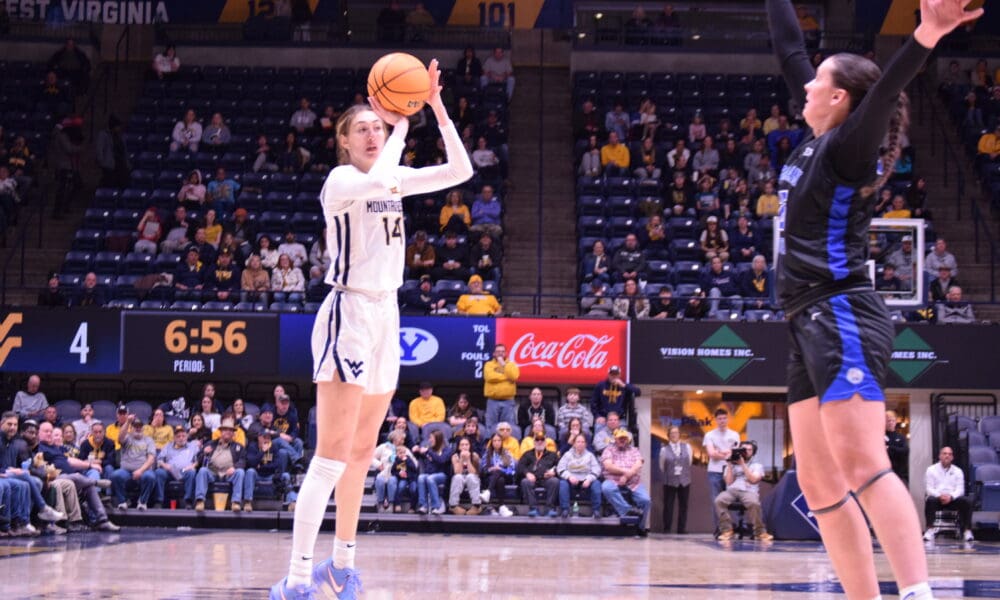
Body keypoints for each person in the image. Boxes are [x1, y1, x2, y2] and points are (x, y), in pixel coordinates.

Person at [767, 1, 980, 597]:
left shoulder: (846, 149)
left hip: (842, 312)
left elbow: (884, 90)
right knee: (818, 484)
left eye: (819, 79)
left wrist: (926, 34)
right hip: (805, 318)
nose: (806, 82)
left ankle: (918, 593)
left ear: (839, 98)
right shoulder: (816, 138)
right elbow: (788, 48)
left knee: (863, 466)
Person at [271, 58, 472, 599]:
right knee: (331, 454)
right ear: (342, 141)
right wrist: (402, 120)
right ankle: (294, 579)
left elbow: (460, 172)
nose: (370, 132)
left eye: (376, 127)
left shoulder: (394, 177)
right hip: (348, 313)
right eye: (361, 127)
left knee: (362, 452)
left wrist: (433, 106)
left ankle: (341, 566)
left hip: (388, 314)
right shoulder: (342, 180)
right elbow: (382, 174)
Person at [714, 440, 773, 541]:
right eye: (744, 449)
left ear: (753, 452)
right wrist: (729, 464)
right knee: (719, 500)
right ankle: (727, 530)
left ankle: (759, 532)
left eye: (750, 450)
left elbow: (753, 480)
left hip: (749, 491)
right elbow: (728, 482)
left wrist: (742, 464)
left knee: (754, 503)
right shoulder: (731, 464)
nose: (747, 452)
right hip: (732, 490)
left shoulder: (757, 465)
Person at [194, 417, 246, 512]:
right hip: (213, 471)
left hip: (228, 472)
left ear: (233, 433)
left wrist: (235, 467)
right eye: (225, 430)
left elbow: (243, 460)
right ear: (221, 431)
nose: (227, 432)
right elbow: (198, 459)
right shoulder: (211, 443)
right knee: (202, 470)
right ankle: (200, 501)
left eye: (230, 430)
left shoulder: (238, 447)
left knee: (240, 472)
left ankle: (236, 502)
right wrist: (204, 453)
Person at [923, 446, 974, 542]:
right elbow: (929, 488)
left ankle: (967, 531)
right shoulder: (931, 469)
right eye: (945, 453)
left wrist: (951, 497)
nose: (947, 456)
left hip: (952, 499)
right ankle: (930, 530)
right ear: (940, 456)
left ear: (952, 457)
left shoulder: (958, 471)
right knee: (930, 500)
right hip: (937, 498)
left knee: (967, 501)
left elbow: (960, 489)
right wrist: (939, 496)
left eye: (950, 454)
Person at [600, 428, 650, 526]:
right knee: (606, 488)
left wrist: (626, 476)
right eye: (620, 438)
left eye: (624, 438)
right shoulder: (608, 449)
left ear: (628, 439)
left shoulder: (634, 450)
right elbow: (608, 466)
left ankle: (640, 528)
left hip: (633, 482)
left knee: (646, 500)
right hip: (613, 480)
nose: (622, 440)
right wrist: (625, 472)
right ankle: (627, 510)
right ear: (615, 439)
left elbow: (638, 465)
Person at [703, 407, 740, 531]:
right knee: (716, 501)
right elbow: (711, 454)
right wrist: (726, 453)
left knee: (732, 500)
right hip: (715, 471)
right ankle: (719, 529)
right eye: (719, 419)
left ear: (727, 419)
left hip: (731, 471)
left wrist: (720, 452)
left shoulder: (734, 434)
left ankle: (732, 528)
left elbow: (735, 453)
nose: (722, 421)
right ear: (715, 420)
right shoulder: (710, 435)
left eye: (724, 418)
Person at [110, 415, 157, 510]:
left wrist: (140, 471)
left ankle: (142, 502)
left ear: (143, 428)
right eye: (135, 426)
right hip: (126, 471)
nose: (138, 428)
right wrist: (127, 422)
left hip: (144, 470)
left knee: (150, 476)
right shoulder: (127, 438)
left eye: (140, 426)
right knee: (115, 475)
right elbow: (120, 437)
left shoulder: (149, 440)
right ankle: (123, 501)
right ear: (131, 428)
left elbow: (151, 459)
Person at [556, 433, 602, 518]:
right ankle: (565, 510)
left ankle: (596, 510)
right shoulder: (567, 455)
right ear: (574, 444)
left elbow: (597, 470)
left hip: (586, 483)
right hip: (571, 482)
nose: (580, 444)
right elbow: (560, 469)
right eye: (578, 442)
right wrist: (569, 477)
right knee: (563, 483)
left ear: (585, 444)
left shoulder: (590, 455)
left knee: (597, 484)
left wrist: (589, 479)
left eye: (582, 442)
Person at [658, 425, 692, 534]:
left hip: (684, 480)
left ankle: (681, 529)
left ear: (679, 434)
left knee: (683, 505)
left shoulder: (687, 447)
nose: (674, 435)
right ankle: (667, 528)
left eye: (676, 432)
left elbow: (689, 462)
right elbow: (662, 466)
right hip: (670, 480)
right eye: (672, 433)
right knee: (668, 505)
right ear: (668, 435)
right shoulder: (664, 449)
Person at [155, 425, 199, 508]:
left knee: (192, 473)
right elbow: (159, 459)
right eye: (178, 436)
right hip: (170, 472)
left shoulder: (192, 446)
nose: (181, 438)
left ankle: (188, 501)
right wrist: (165, 465)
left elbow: (198, 460)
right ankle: (159, 501)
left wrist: (192, 466)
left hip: (184, 471)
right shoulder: (168, 446)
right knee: (159, 472)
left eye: (183, 436)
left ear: (186, 437)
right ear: (174, 438)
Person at [411, 430, 451, 514]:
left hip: (443, 475)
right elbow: (422, 457)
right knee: (421, 477)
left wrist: (428, 452)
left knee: (430, 478)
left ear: (437, 439)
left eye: (431, 438)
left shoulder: (447, 450)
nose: (429, 440)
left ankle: (436, 506)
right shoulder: (430, 450)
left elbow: (441, 460)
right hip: (430, 474)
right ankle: (423, 505)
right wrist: (416, 451)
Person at [482, 343, 519, 432]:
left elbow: (514, 376)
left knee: (508, 427)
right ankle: (490, 444)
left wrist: (504, 365)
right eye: (498, 351)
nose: (500, 353)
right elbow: (489, 377)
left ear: (506, 353)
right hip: (492, 401)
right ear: (494, 353)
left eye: (502, 351)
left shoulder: (511, 365)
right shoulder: (488, 365)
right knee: (490, 427)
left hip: (508, 401)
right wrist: (506, 376)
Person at [449, 437, 482, 515]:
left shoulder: (474, 456)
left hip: (473, 478)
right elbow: (457, 472)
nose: (464, 447)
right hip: (460, 478)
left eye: (466, 444)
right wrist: (461, 459)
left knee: (471, 477)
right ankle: (453, 506)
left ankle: (476, 506)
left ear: (470, 446)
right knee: (458, 477)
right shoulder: (455, 456)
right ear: (459, 447)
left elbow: (474, 472)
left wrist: (467, 460)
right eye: (462, 445)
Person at [885, 410, 908, 483]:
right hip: (884, 474)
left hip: (900, 474)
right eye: (888, 421)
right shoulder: (879, 436)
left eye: (893, 420)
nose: (891, 423)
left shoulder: (901, 437)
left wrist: (890, 448)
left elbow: (905, 450)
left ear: (895, 422)